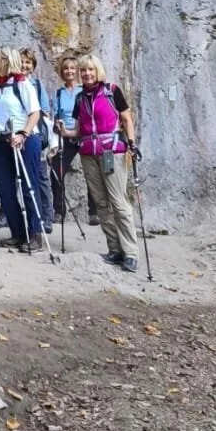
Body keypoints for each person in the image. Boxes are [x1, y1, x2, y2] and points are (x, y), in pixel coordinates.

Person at [74, 56, 138, 271]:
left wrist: (132, 142)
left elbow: (126, 118)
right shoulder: (80, 98)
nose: (87, 74)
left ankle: (130, 252)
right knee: (101, 203)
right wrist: (62, 131)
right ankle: (115, 248)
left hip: (112, 151)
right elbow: (78, 129)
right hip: (88, 153)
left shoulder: (112, 90)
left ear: (97, 70)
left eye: (90, 70)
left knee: (118, 201)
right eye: (83, 71)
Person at [0, 48, 42, 249]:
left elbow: (35, 113)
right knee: (4, 188)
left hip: (24, 139)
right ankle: (18, 232)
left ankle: (36, 234)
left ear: (5, 60)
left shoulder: (21, 83)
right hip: (1, 140)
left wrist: (23, 134)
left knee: (29, 186)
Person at [16, 47, 52, 234]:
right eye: (22, 61)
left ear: (33, 66)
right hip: (16, 136)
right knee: (16, 176)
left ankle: (46, 216)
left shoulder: (37, 85)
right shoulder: (12, 82)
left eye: (28, 62)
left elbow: (44, 110)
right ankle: (7, 214)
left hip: (35, 135)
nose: (24, 65)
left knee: (41, 176)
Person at [50, 54, 82, 226]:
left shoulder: (83, 90)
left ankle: (95, 211)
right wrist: (56, 124)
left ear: (77, 71)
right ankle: (58, 210)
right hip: (65, 134)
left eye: (72, 68)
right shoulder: (59, 93)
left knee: (93, 170)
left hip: (81, 133)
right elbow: (56, 113)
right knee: (56, 171)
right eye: (66, 68)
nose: (69, 71)